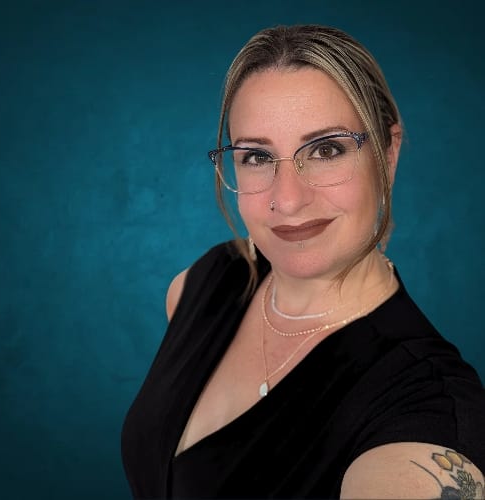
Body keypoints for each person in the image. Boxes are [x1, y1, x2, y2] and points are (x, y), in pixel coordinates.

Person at [121, 24, 485, 499]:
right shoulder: (205, 282)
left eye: (326, 150)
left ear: (388, 153)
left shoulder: (427, 405)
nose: (289, 199)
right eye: (256, 156)